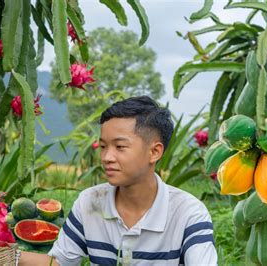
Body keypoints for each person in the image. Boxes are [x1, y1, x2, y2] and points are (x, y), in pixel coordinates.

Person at [18, 96, 217, 265]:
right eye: (104, 146)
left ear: (154, 152)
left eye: (120, 147)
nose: (106, 157)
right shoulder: (90, 201)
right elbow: (59, 262)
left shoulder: (189, 213)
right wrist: (7, 256)